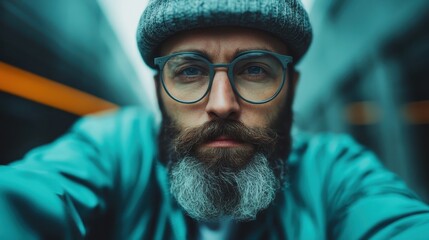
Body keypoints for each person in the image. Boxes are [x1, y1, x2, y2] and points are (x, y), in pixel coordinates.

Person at [1, 0, 429, 239]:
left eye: (255, 69)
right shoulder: (111, 148)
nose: (221, 104)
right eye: (189, 71)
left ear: (292, 88)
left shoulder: (335, 173)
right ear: (158, 92)